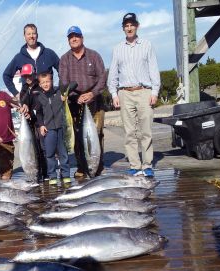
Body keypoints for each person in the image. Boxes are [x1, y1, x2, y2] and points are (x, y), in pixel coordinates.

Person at [107, 12, 160, 178]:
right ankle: (135, 165)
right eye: (126, 25)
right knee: (129, 132)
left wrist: (155, 91)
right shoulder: (117, 49)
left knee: (146, 131)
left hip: (144, 91)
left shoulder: (147, 45)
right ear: (123, 28)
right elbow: (113, 74)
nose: (129, 28)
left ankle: (147, 164)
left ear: (137, 26)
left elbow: (153, 69)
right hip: (125, 93)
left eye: (132, 25)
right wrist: (114, 94)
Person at [59, 25, 107, 178]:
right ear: (68, 40)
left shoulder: (94, 55)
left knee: (96, 135)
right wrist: (75, 96)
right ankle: (81, 166)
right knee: (79, 137)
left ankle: (97, 166)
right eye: (71, 37)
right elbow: (64, 83)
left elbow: (103, 78)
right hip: (75, 103)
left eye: (76, 36)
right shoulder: (64, 59)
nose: (74, 39)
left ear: (82, 38)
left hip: (95, 101)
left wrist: (92, 94)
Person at [3, 23, 60, 101]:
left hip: (49, 98)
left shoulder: (49, 53)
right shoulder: (19, 57)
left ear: (37, 35)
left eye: (33, 33)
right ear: (24, 36)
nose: (31, 36)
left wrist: (61, 90)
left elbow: (62, 71)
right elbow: (6, 75)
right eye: (28, 34)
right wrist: (16, 93)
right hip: (29, 101)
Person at [34, 72, 70, 185]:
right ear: (40, 84)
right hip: (49, 130)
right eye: (43, 82)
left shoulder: (58, 92)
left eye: (47, 81)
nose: (45, 84)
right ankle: (52, 175)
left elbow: (73, 84)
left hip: (61, 127)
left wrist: (64, 96)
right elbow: (39, 113)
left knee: (63, 153)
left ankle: (65, 174)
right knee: (49, 154)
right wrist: (41, 125)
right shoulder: (39, 97)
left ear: (52, 81)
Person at [18, 63, 47, 181]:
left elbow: (41, 103)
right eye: (25, 76)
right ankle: (37, 173)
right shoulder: (24, 89)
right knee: (33, 148)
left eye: (29, 75)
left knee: (43, 148)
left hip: (41, 121)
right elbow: (24, 101)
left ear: (34, 74)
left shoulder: (39, 87)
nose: (27, 78)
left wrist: (31, 110)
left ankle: (45, 173)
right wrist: (24, 108)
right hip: (29, 123)